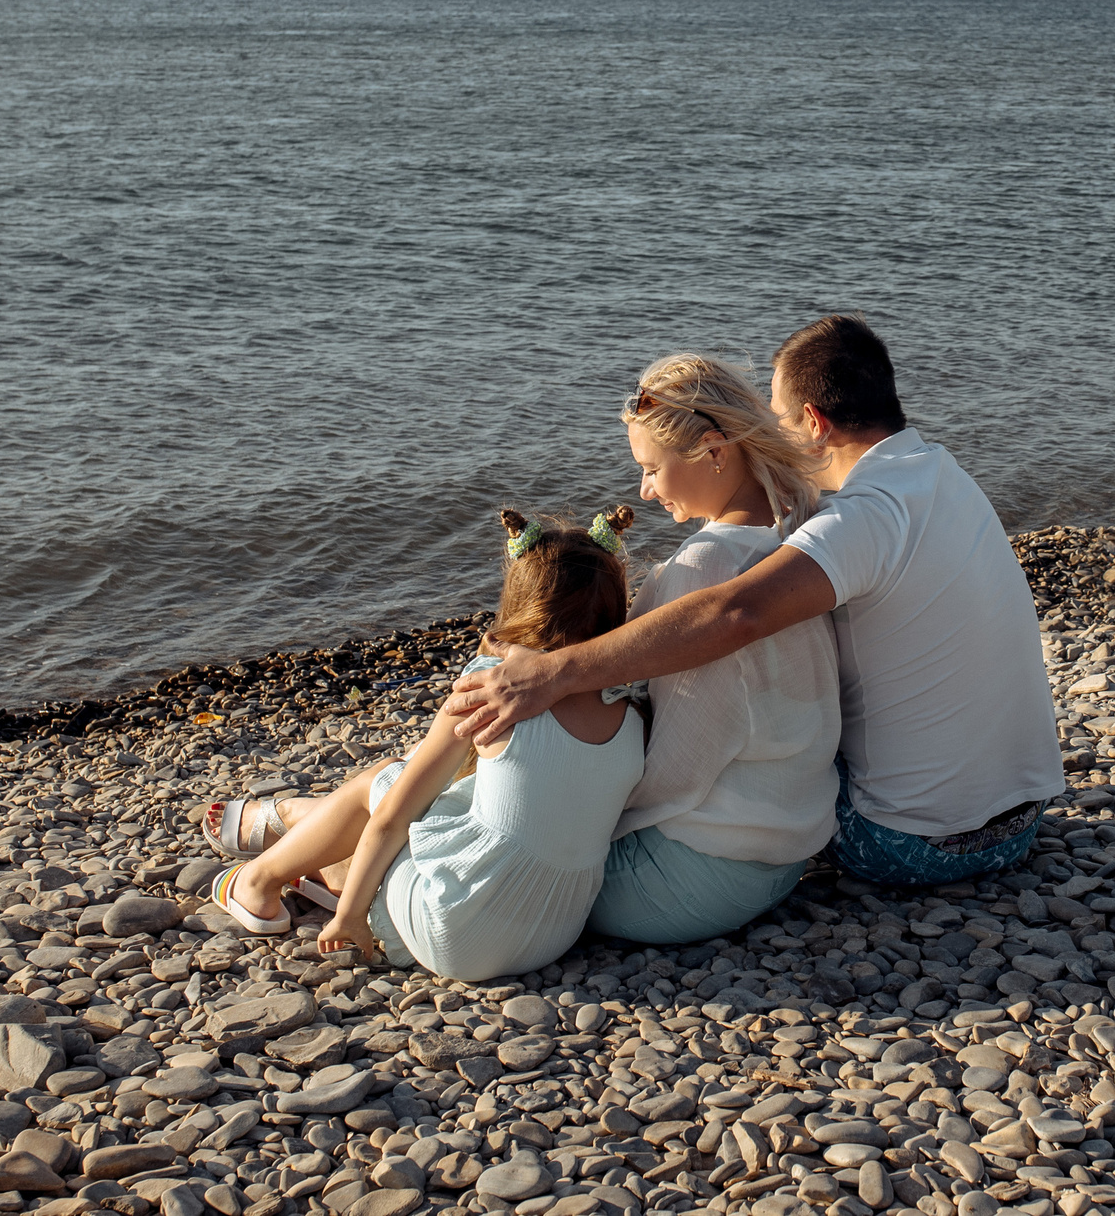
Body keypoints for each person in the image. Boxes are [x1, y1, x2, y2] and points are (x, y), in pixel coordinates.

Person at [447, 316, 1064, 889]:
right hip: (1020, 817)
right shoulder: (939, 471)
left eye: (780, 418)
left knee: (757, 754)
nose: (771, 432)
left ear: (816, 423)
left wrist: (555, 673)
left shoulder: (866, 516)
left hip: (912, 842)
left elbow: (734, 613)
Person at [196, 508, 644, 982]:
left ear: (519, 601)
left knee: (384, 780)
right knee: (454, 797)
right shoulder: (631, 707)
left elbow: (390, 819)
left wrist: (348, 919)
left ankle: (258, 883)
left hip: (453, 935)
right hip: (552, 936)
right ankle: (311, 847)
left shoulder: (492, 687)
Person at [591, 354, 841, 942]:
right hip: (780, 858)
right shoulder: (796, 538)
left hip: (690, 878)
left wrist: (583, 819)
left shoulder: (703, 569)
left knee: (465, 853)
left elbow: (679, 765)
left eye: (651, 468)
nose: (645, 491)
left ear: (713, 450)